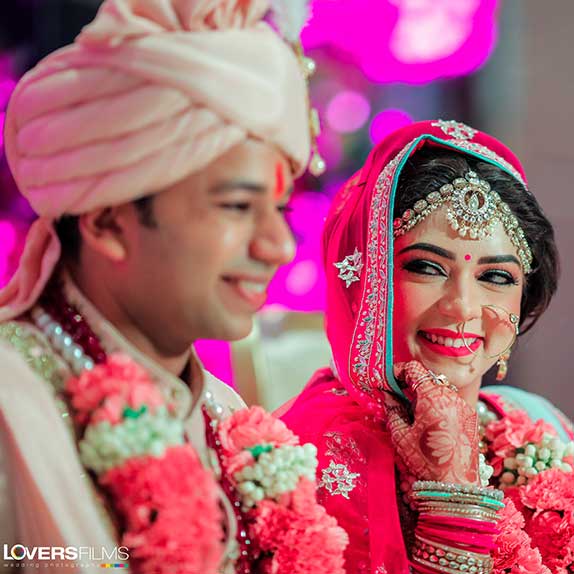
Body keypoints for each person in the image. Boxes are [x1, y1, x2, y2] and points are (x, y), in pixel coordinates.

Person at [0, 0, 347, 572]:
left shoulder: (223, 414)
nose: (279, 246)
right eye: (237, 206)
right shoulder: (14, 405)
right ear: (108, 222)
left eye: (280, 209)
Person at [280, 120, 574, 574]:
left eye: (496, 277)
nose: (463, 307)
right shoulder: (311, 454)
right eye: (426, 268)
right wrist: (454, 510)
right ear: (368, 277)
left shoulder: (542, 423)